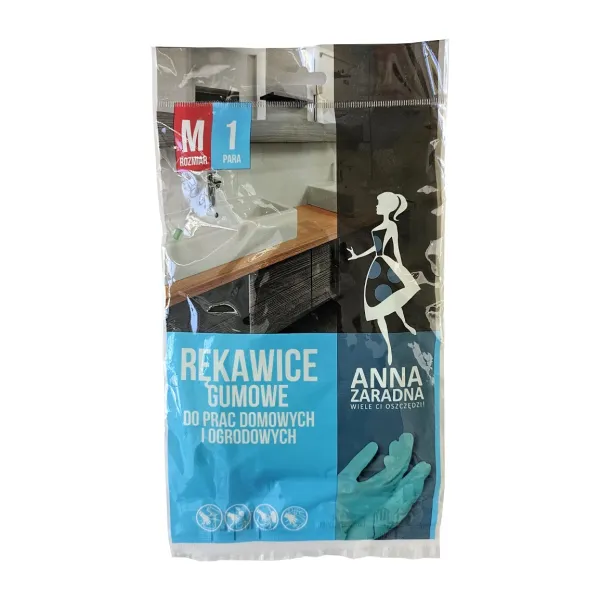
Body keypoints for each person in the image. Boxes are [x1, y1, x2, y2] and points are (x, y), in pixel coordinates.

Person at [347, 192, 420, 365]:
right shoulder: (376, 229)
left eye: (379, 203)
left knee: (394, 301)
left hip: (386, 265)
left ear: (387, 207)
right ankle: (388, 347)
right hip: (376, 267)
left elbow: (395, 249)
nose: (376, 206)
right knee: (378, 308)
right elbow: (375, 247)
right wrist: (357, 255)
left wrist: (400, 268)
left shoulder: (391, 226)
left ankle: (406, 324)